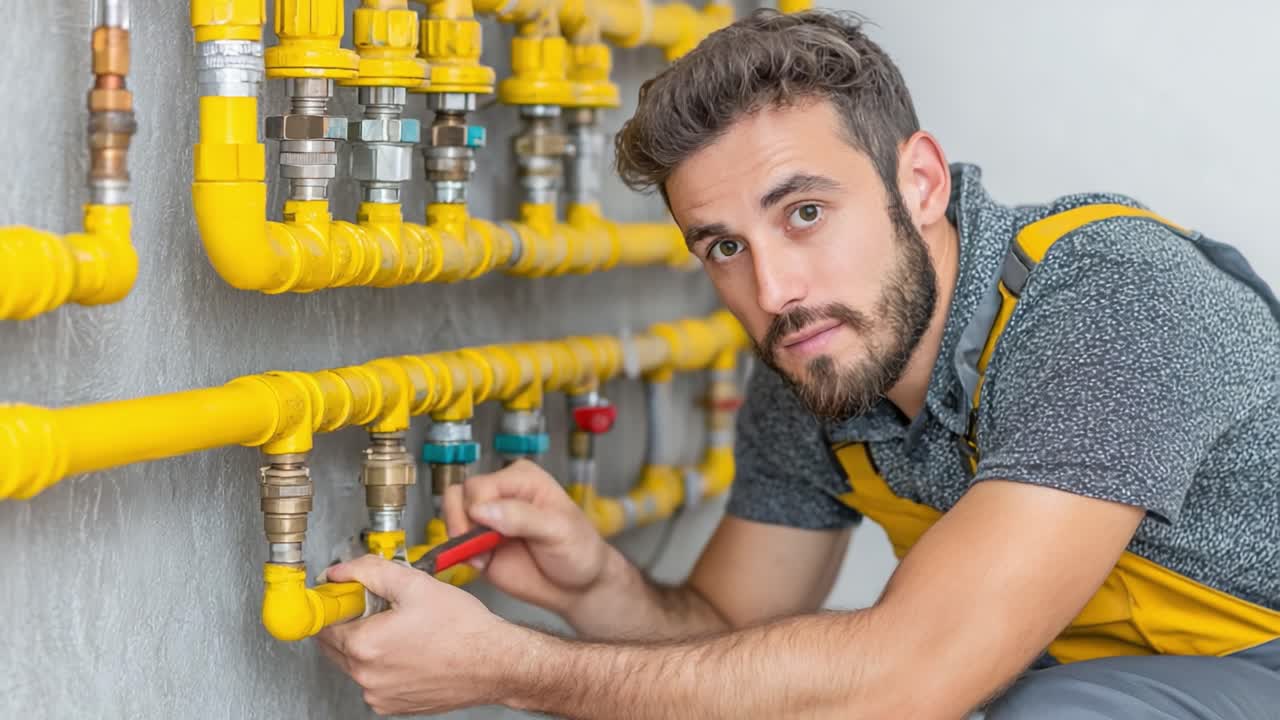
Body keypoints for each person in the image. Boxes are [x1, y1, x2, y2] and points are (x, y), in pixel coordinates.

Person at [316, 9, 1280, 718]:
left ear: (920, 181)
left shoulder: (1108, 296)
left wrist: (510, 669)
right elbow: (733, 638)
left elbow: (910, 682)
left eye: (805, 213)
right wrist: (591, 585)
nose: (773, 288)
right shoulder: (820, 357)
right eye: (724, 246)